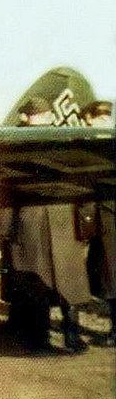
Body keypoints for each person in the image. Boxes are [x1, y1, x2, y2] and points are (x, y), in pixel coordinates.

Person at [1, 97, 91, 353]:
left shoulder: (14, 146)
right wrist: (85, 220)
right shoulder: (65, 140)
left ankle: (42, 341)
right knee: (65, 281)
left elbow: (7, 190)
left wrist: (6, 227)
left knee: (40, 283)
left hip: (36, 220)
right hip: (58, 219)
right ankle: (69, 338)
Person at [82, 100, 116, 346]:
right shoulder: (87, 144)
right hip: (102, 222)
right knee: (108, 277)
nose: (101, 123)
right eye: (97, 120)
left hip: (109, 216)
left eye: (105, 119)